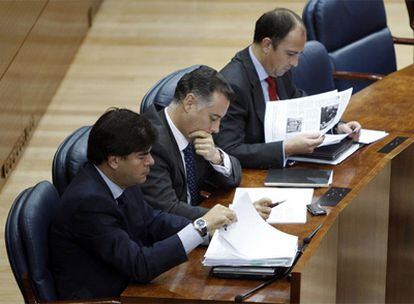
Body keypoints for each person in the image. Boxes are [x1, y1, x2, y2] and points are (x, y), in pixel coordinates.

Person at [50, 108, 236, 300]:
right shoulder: (87, 203)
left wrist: (210, 232)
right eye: (142, 156)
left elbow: (152, 221)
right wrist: (200, 228)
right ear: (114, 160)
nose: (151, 161)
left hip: (130, 285)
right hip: (107, 297)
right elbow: (140, 266)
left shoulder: (121, 178)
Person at [215, 8, 361, 169]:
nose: (295, 63)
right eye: (291, 54)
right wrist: (285, 148)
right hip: (255, 176)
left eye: (298, 54)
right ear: (267, 45)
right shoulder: (232, 85)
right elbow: (229, 151)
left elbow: (299, 103)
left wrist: (337, 126)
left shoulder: (277, 67)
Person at [142, 65, 272, 220]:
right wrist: (236, 215)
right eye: (214, 118)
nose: (216, 129)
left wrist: (216, 157)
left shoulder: (194, 130)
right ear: (189, 102)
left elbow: (235, 175)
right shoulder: (151, 143)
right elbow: (168, 209)